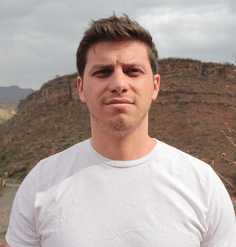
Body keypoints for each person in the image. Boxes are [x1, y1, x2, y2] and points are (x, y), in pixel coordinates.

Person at [6, 14, 236, 247]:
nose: (119, 84)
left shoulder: (202, 184)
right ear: (81, 88)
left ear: (155, 86)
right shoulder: (40, 184)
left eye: (133, 71)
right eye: (103, 72)